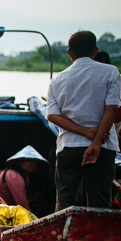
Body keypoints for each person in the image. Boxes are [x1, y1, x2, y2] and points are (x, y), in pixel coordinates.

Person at [46, 30, 120, 209]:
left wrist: (86, 132)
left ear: (70, 53)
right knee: (100, 202)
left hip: (69, 147)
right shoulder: (111, 72)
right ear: (95, 50)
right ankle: (96, 237)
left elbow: (52, 116)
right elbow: (112, 108)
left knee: (65, 202)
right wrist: (95, 142)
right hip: (103, 146)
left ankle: (63, 235)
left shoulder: (57, 80)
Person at [0, 146, 48, 212]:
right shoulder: (14, 176)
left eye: (34, 161)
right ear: (19, 162)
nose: (32, 164)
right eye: (28, 160)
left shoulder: (24, 177)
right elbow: (22, 206)